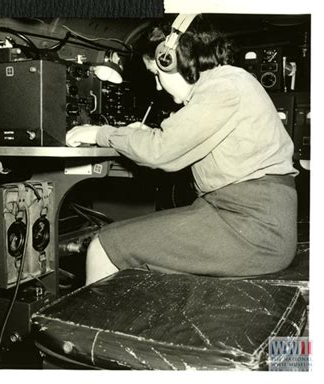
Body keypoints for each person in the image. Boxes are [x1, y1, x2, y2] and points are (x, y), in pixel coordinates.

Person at [66, 14, 298, 285]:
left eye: (157, 74)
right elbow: (173, 139)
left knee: (105, 245)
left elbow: (160, 151)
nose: (157, 85)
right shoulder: (226, 83)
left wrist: (99, 133)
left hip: (253, 228)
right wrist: (138, 135)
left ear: (172, 59)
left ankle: (86, 328)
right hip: (241, 217)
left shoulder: (224, 86)